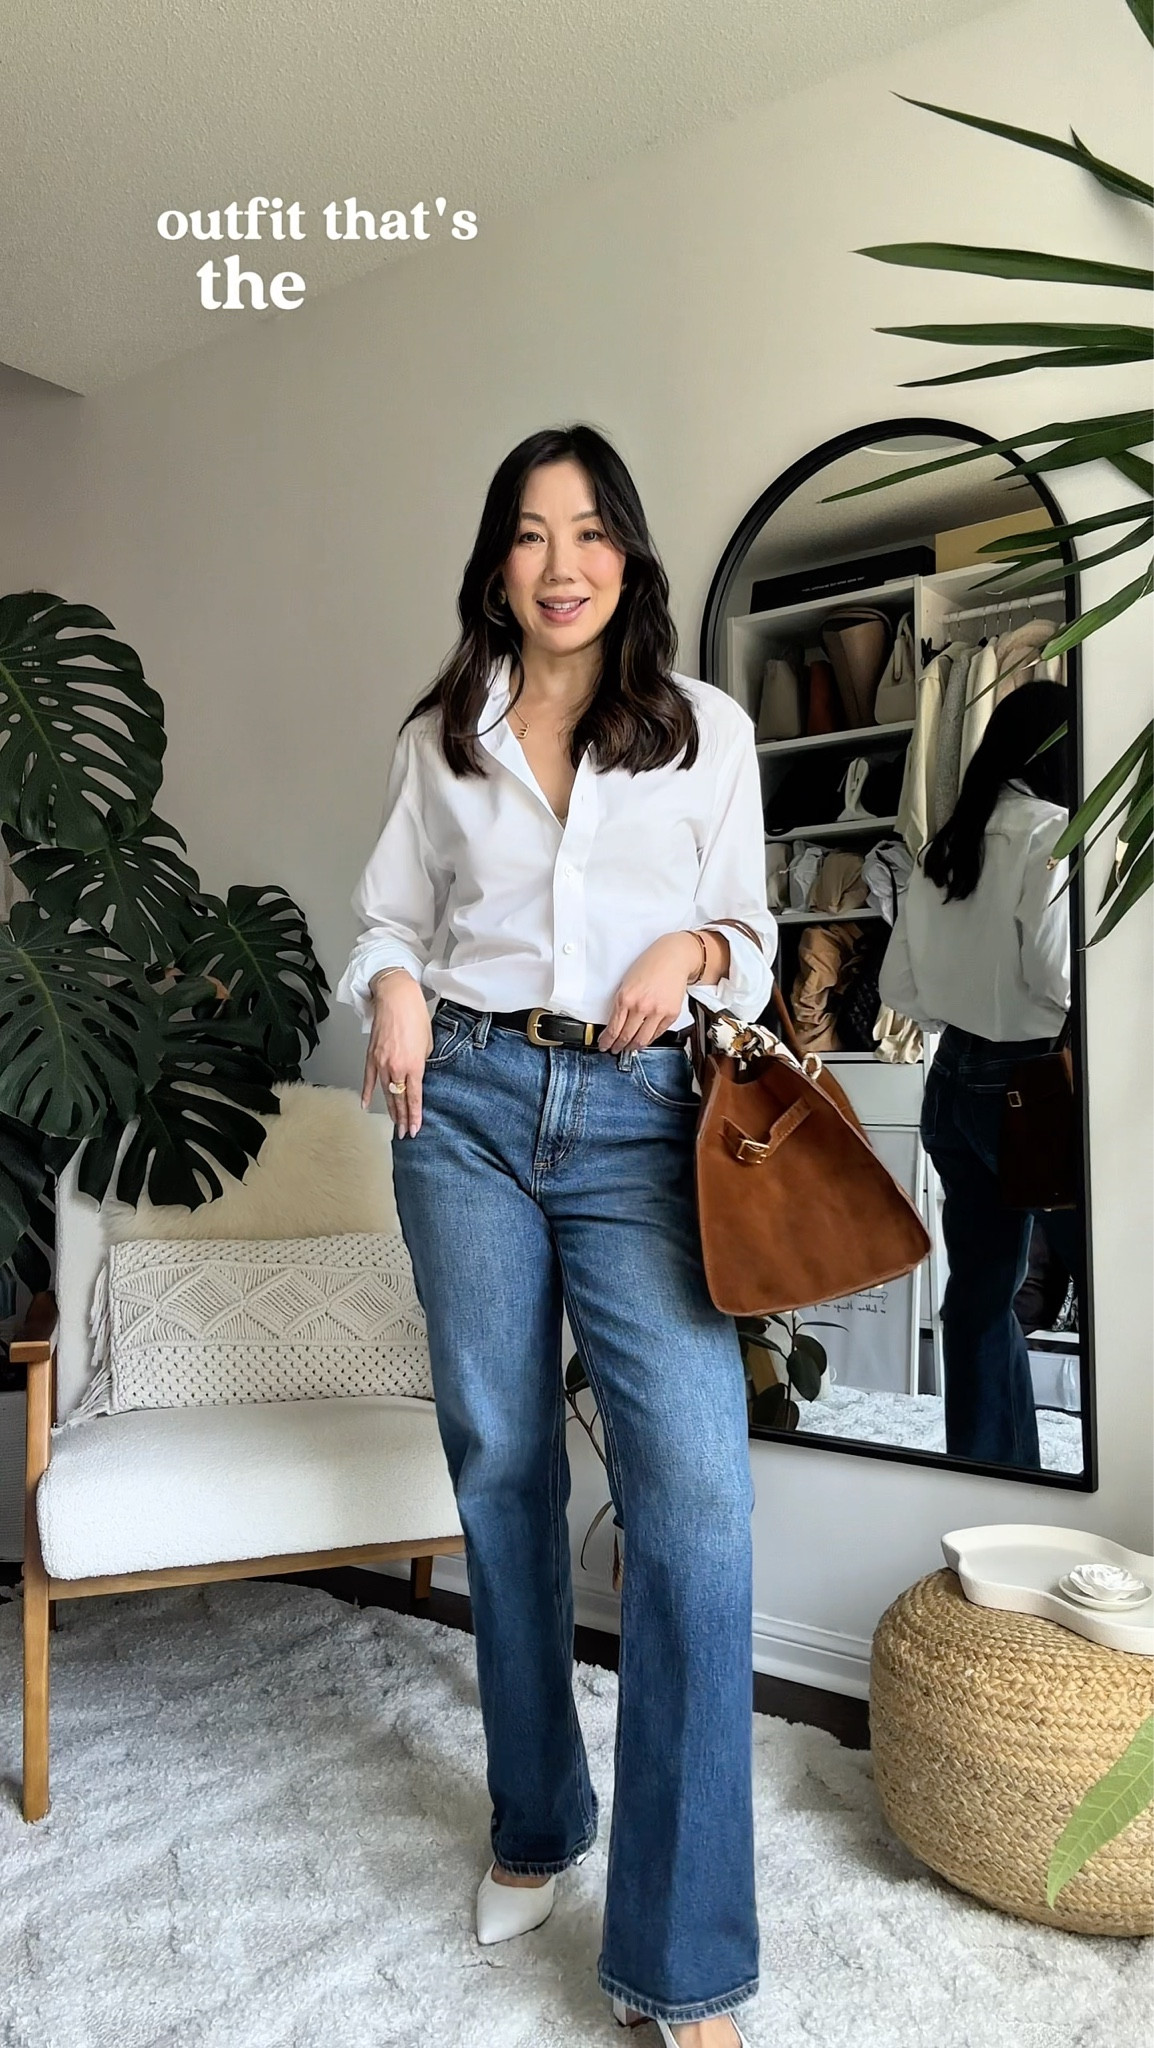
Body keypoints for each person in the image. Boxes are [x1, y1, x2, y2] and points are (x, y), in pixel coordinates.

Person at [335, 424, 776, 2048]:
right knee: (502, 1462)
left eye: (586, 531)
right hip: (453, 1105)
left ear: (626, 554)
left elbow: (751, 927)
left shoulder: (701, 731)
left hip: (641, 1117)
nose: (560, 561)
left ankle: (677, 1956)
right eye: (528, 534)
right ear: (495, 564)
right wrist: (388, 984)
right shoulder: (440, 737)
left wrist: (687, 943)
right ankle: (534, 1811)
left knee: (693, 1513)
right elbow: (392, 913)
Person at [879, 678, 1077, 1469]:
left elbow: (901, 992)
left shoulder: (949, 841)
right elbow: (1061, 975)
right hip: (1032, 1082)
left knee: (980, 1293)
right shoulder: (1053, 833)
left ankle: (991, 1473)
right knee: (1109, 1279)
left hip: (952, 1077)